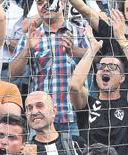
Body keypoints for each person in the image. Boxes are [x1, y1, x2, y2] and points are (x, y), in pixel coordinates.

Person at [69, 17, 128, 155]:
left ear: (122, 78)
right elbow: (74, 86)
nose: (105, 68)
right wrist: (92, 50)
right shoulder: (88, 104)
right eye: (102, 66)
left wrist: (122, 40)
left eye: (113, 67)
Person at [8, 0, 88, 136]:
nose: (44, 6)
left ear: (62, 3)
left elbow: (97, 58)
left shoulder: (78, 32)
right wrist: (27, 48)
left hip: (70, 117)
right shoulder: (30, 36)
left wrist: (74, 51)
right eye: (39, 3)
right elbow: (12, 73)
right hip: (39, 119)